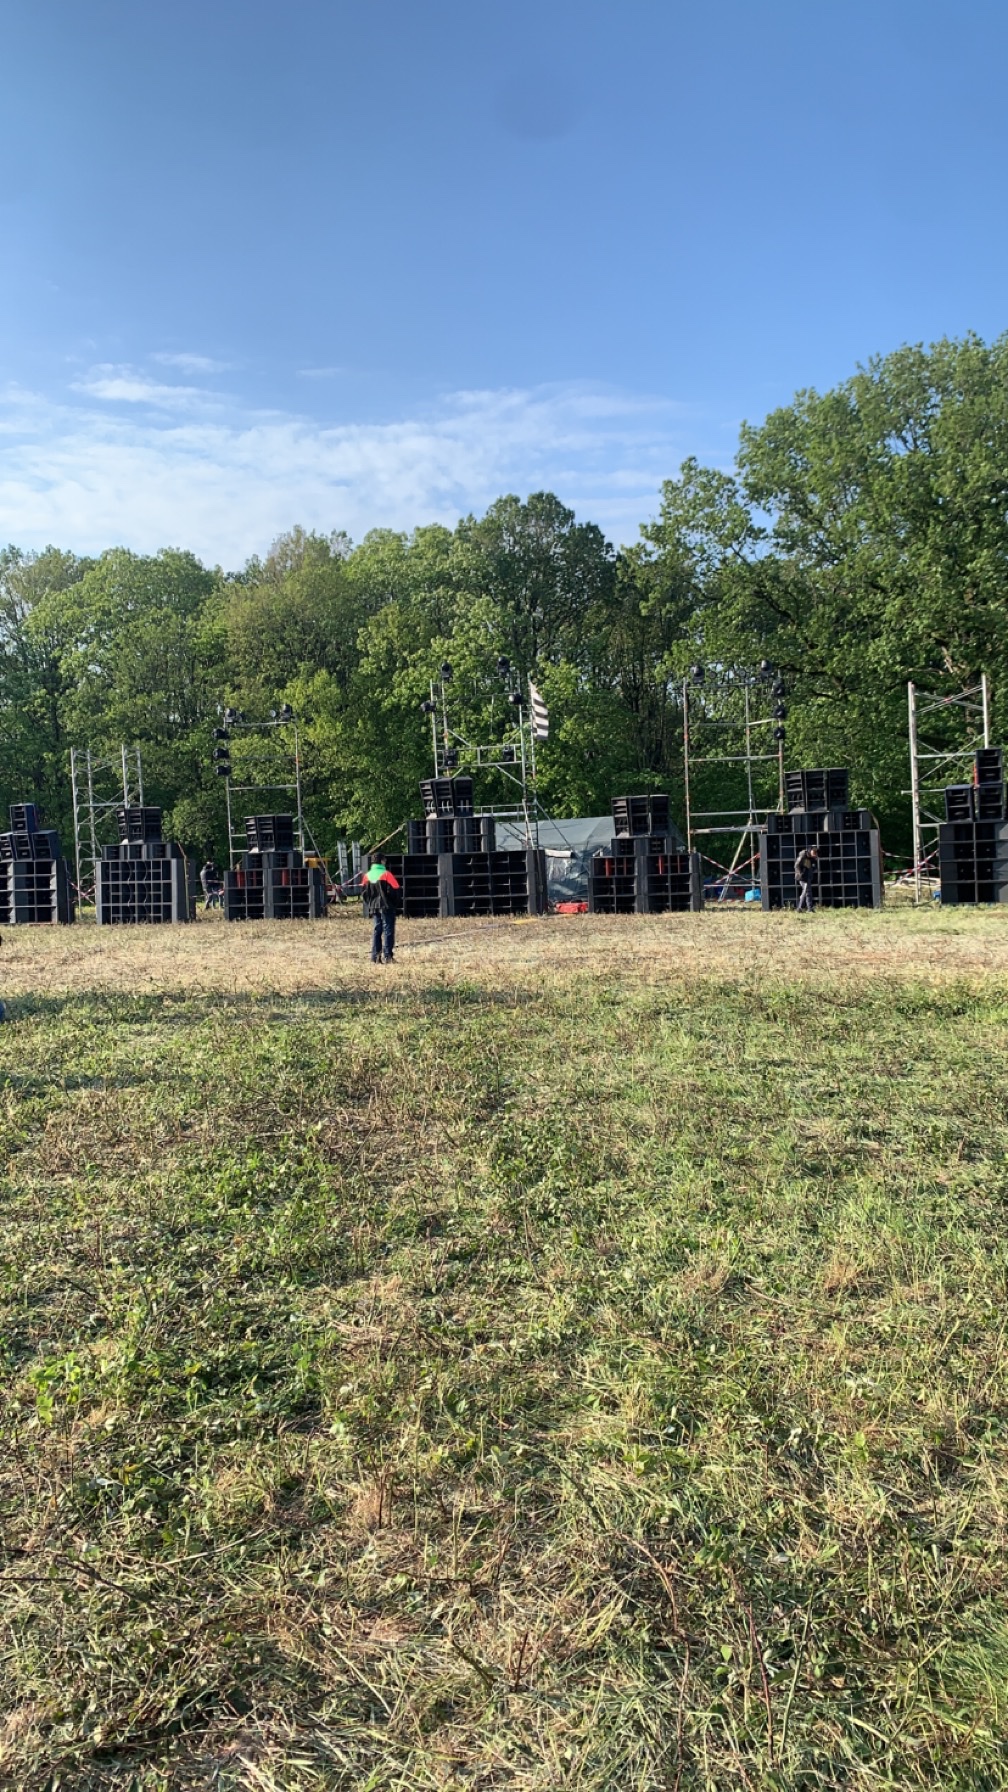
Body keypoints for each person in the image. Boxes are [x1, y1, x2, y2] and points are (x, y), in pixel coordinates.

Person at [363, 870, 400, 963]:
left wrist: (370, 904)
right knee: (388, 930)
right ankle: (388, 956)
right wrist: (393, 904)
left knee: (377, 930)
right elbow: (395, 889)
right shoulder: (387, 874)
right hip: (386, 906)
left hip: (374, 906)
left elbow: (364, 893)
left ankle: (375, 957)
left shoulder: (367, 875)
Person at [795, 844, 819, 912]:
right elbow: (796, 865)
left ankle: (802, 908)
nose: (815, 853)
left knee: (806, 892)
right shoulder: (803, 855)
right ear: (809, 850)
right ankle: (806, 908)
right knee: (807, 891)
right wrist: (800, 873)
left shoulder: (812, 858)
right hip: (802, 877)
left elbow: (814, 867)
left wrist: (814, 861)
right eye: (814, 851)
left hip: (808, 876)